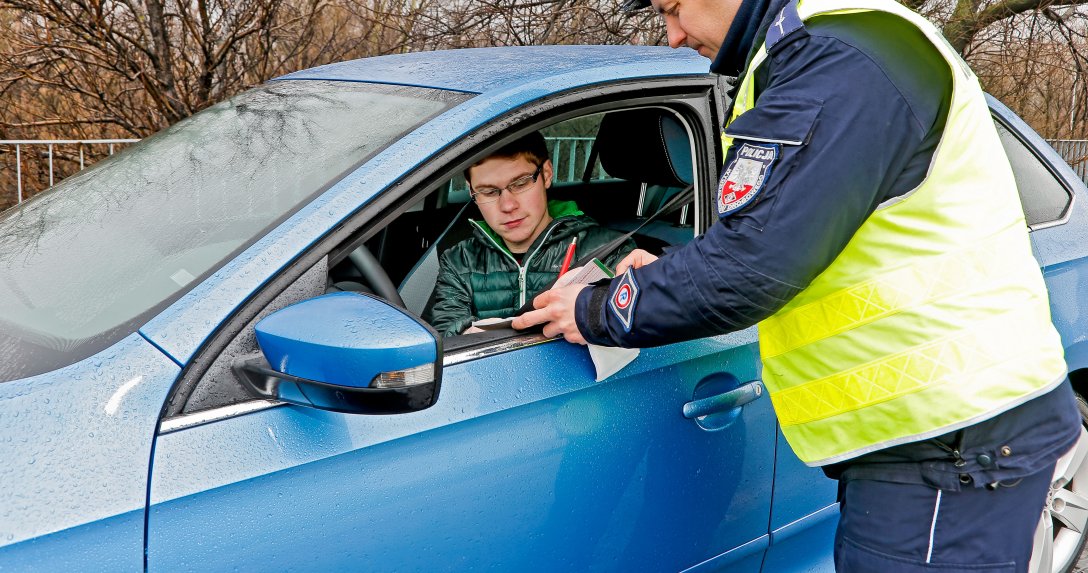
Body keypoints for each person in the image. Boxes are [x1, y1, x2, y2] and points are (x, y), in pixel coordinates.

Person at [512, 0, 1083, 569]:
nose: (673, 36)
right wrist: (667, 269)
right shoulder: (816, 53)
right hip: (932, 438)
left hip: (949, 444)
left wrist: (593, 309)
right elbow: (804, 231)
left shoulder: (842, 57)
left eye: (673, 8)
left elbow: (749, 269)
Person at [423, 131, 635, 337]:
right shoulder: (459, 261)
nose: (507, 205)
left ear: (546, 174)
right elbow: (444, 335)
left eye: (521, 183)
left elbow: (633, 328)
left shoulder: (610, 251)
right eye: (488, 191)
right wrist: (466, 334)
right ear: (472, 192)